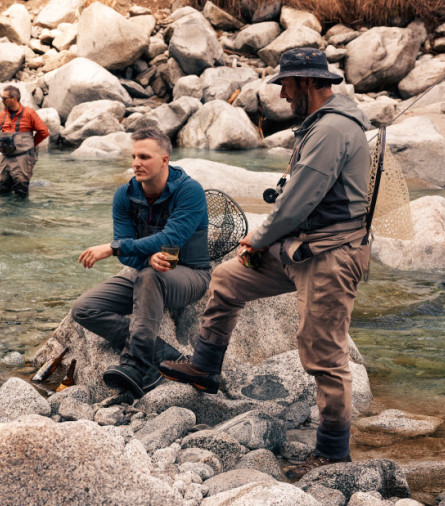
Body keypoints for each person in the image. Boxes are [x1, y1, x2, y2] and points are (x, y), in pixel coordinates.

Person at [158, 47, 373, 480]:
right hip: (299, 247)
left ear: (308, 82)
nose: (283, 94)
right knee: (227, 279)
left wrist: (258, 238)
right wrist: (267, 242)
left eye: (287, 85)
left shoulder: (332, 129)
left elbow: (296, 203)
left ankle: (333, 452)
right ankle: (205, 368)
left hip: (331, 255)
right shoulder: (322, 124)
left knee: (323, 351)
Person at [71, 128, 212, 398]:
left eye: (144, 157)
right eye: (134, 156)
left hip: (191, 274)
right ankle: (162, 353)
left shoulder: (189, 191)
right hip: (147, 271)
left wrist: (113, 248)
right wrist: (146, 257)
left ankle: (137, 365)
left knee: (149, 275)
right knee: (84, 309)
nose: (136, 163)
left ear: (164, 160)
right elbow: (127, 255)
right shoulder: (124, 195)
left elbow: (171, 238)